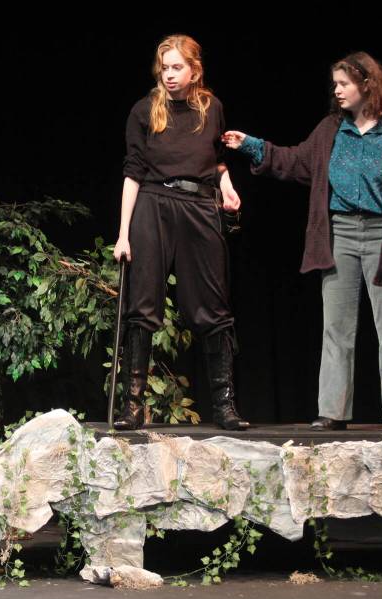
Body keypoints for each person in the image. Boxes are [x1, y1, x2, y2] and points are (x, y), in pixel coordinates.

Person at [222, 51, 382, 432]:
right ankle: (332, 411)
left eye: (344, 83)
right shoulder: (331, 129)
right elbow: (296, 161)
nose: (336, 91)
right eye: (335, 84)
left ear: (367, 84)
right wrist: (252, 145)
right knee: (336, 327)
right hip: (340, 233)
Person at [113, 34, 249, 431]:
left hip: (199, 206)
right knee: (142, 305)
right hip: (153, 204)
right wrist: (123, 234)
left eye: (177, 68)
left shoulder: (212, 108)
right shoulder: (144, 110)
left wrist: (226, 186)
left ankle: (225, 407)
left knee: (213, 306)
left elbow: (217, 160)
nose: (170, 75)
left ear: (194, 71)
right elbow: (132, 172)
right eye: (165, 68)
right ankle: (132, 407)